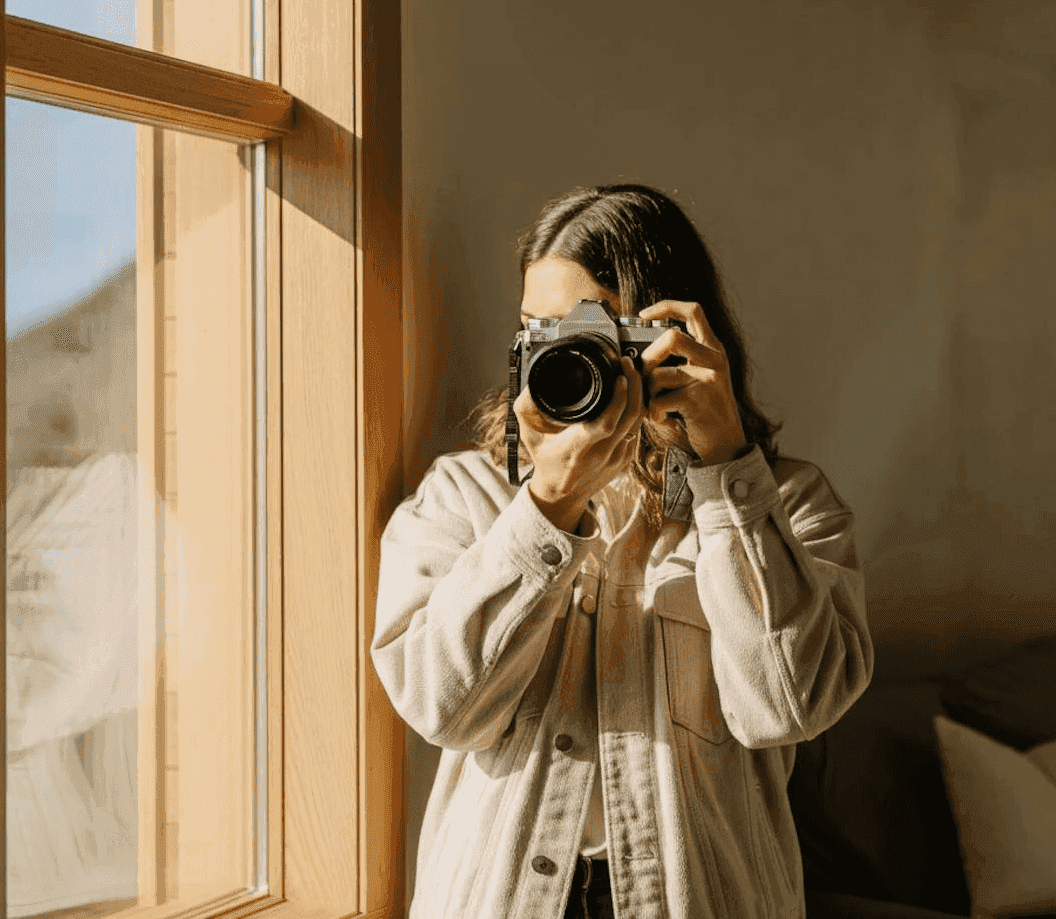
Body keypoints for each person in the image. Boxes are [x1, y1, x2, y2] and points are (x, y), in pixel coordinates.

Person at [371, 183, 872, 919]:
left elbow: (788, 707)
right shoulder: (464, 498)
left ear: (669, 337)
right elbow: (441, 706)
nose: (558, 357)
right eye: (538, 331)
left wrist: (726, 468)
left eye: (588, 336)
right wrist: (545, 507)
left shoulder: (786, 507)